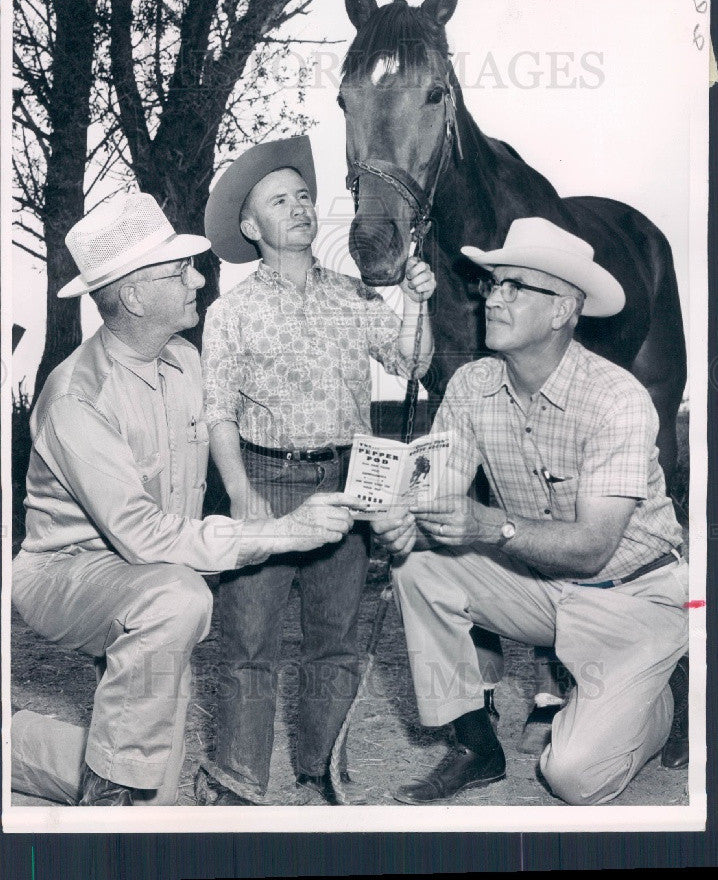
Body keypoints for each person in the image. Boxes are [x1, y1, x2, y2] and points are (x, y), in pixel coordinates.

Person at [11, 192, 355, 807]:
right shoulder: (76, 399)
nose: (199, 278)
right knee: (178, 596)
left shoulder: (186, 361)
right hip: (67, 575)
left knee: (158, 794)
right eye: (179, 271)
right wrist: (283, 533)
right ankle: (108, 804)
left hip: (150, 577)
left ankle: (25, 748)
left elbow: (265, 416)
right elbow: (145, 536)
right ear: (136, 296)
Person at [372, 217, 689, 806]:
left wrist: (491, 525)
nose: (495, 297)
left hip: (632, 596)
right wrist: (403, 519)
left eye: (517, 287)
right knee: (416, 562)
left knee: (571, 778)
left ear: (564, 310)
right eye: (494, 284)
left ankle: (659, 700)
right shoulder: (471, 385)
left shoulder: (616, 397)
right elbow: (436, 492)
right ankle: (476, 746)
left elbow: (594, 546)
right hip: (543, 590)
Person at [202, 134, 436, 803]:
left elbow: (412, 363)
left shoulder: (355, 297)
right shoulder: (232, 312)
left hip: (348, 480)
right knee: (251, 641)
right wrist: (241, 494)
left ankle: (319, 769)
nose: (300, 207)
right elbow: (217, 412)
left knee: (335, 640)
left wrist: (417, 300)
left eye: (304, 196)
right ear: (251, 227)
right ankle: (240, 776)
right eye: (280, 200)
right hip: (265, 480)